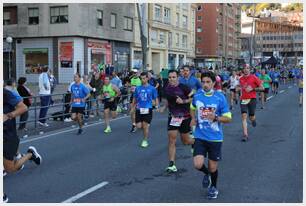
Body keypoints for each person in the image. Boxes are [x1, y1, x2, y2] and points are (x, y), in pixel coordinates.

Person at [190, 71, 232, 200]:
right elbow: (192, 107)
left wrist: (216, 118)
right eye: (203, 82)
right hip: (200, 136)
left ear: (214, 83)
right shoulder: (197, 96)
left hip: (215, 138)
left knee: (213, 166)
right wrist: (193, 118)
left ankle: (213, 187)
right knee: (197, 164)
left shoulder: (220, 97)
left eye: (208, 82)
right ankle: (206, 173)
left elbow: (228, 118)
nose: (205, 84)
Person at [3, 88, 42, 202]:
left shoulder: (5, 93)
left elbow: (23, 107)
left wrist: (8, 115)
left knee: (11, 168)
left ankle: (30, 154)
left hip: (7, 137)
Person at [161, 70, 195, 172]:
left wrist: (183, 101)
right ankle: (172, 164)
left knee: (186, 141)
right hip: (173, 117)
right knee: (172, 140)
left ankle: (195, 142)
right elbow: (167, 100)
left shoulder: (184, 87)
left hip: (185, 117)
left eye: (174, 77)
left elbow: (193, 98)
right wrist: (164, 107)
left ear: (178, 77)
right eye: (170, 77)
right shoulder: (166, 88)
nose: (171, 79)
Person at [132, 72, 159, 148]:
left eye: (144, 78)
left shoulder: (152, 88)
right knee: (139, 126)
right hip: (139, 109)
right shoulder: (138, 88)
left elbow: (155, 98)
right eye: (141, 78)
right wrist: (132, 107)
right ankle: (145, 127)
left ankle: (145, 140)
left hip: (148, 109)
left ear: (147, 78)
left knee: (145, 126)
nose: (142, 80)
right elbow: (135, 98)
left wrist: (157, 106)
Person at [239, 64, 264, 141]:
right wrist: (237, 88)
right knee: (243, 116)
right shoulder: (241, 79)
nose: (246, 69)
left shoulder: (254, 77)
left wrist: (253, 89)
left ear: (250, 69)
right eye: (244, 68)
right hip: (243, 99)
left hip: (252, 99)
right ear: (243, 70)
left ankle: (253, 120)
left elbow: (262, 88)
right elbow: (240, 87)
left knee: (251, 116)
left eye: (247, 68)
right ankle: (245, 135)